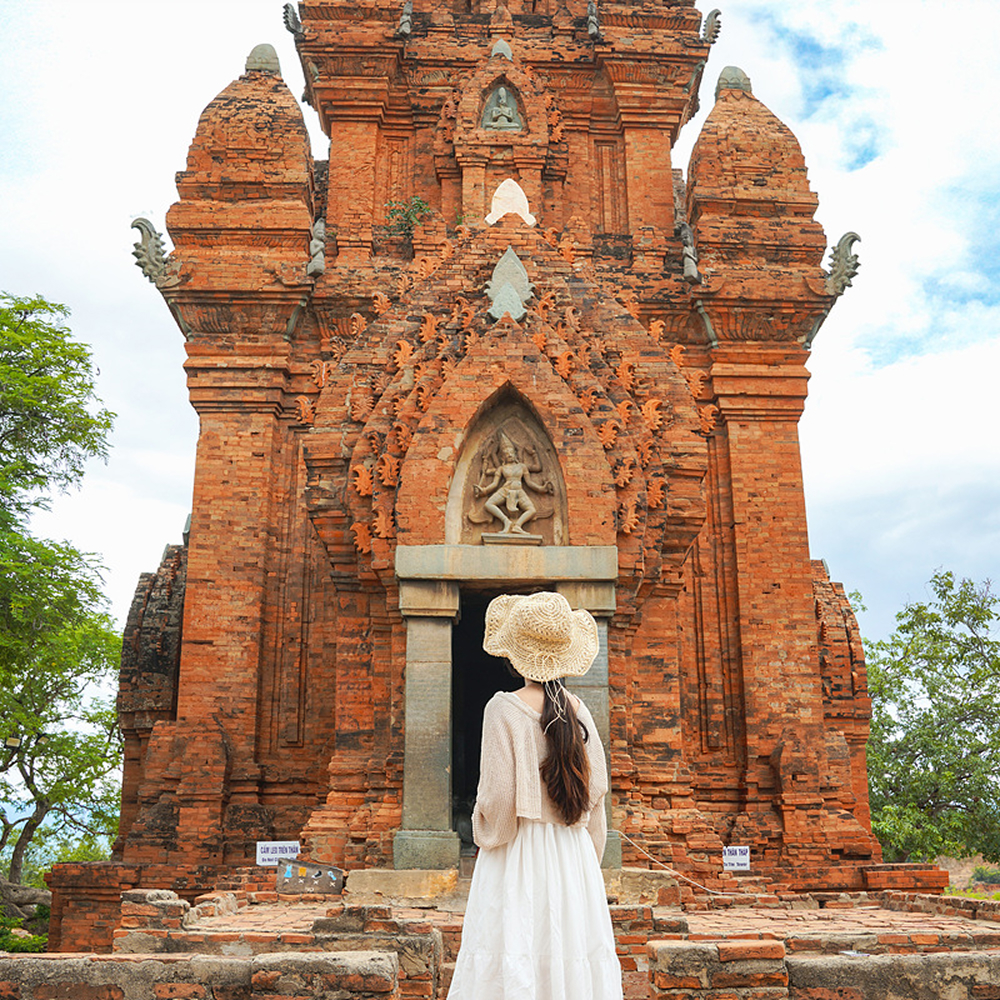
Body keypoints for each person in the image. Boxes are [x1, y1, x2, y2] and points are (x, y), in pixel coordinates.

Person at [447, 592, 623, 1000]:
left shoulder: (503, 709)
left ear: (513, 657)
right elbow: (596, 795)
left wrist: (486, 837)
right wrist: (585, 858)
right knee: (570, 951)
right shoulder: (579, 709)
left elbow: (499, 797)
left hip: (519, 851)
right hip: (572, 852)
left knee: (516, 945)